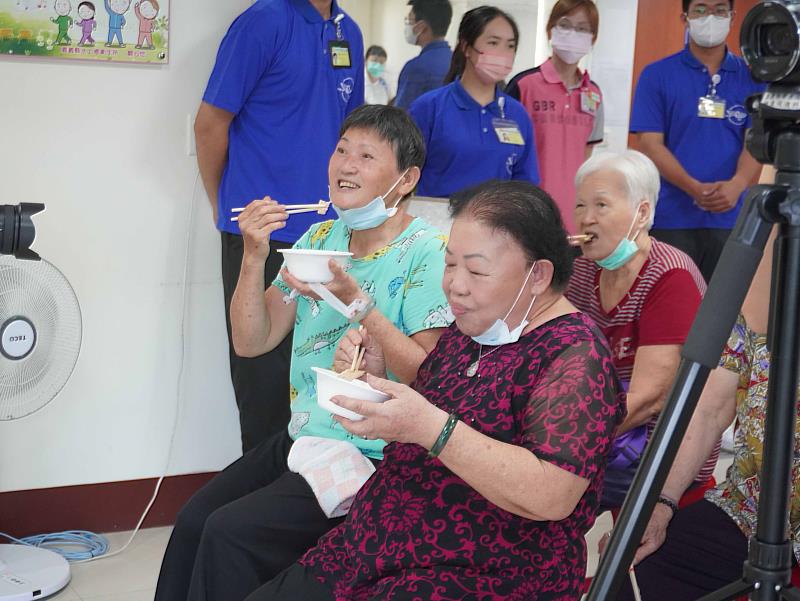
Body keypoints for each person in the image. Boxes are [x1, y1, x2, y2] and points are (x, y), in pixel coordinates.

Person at [248, 179, 625, 600]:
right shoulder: (477, 326)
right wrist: (376, 377)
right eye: (449, 265)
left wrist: (432, 429)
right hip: (378, 544)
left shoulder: (575, 355)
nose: (455, 286)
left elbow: (551, 495)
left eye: (477, 270)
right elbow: (434, 398)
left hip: (483, 567)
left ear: (537, 274)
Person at [154, 105, 453, 601]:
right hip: (306, 435)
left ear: (406, 179)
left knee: (231, 533)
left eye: (365, 155)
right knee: (194, 519)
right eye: (341, 151)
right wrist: (254, 255)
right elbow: (253, 340)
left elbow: (430, 376)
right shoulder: (320, 237)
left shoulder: (427, 251)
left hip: (373, 452)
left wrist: (355, 301)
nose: (346, 165)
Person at [194, 0, 364, 452]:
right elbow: (210, 125)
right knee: (263, 383)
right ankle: (256, 503)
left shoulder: (350, 32)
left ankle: (309, 503)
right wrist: (225, 207)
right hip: (263, 238)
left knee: (324, 377)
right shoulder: (264, 22)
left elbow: (355, 135)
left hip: (331, 238)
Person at [615, 179, 796, 601]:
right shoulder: (762, 292)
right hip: (750, 510)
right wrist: (660, 503)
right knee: (632, 567)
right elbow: (709, 409)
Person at [565, 150, 717, 510]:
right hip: (604, 434)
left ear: (642, 213)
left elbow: (650, 399)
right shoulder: (585, 271)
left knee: (539, 497)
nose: (586, 219)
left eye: (601, 205)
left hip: (652, 451)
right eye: (580, 206)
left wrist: (565, 441)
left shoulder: (670, 276)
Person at [630, 0, 764, 283]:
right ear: (685, 17)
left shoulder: (752, 78)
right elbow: (650, 144)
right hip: (671, 218)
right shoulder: (657, 75)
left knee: (720, 311)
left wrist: (737, 185)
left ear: (732, 16)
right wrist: (694, 189)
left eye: (719, 10)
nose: (710, 17)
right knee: (673, 307)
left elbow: (755, 140)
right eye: (700, 9)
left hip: (730, 220)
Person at [408, 6, 539, 199]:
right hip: (437, 223)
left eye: (510, 46)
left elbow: (526, 185)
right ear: (467, 47)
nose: (503, 53)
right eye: (493, 43)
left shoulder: (517, 114)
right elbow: (401, 174)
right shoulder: (429, 107)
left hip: (498, 224)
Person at [506, 0, 603, 234]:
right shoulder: (523, 85)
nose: (573, 34)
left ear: (592, 38)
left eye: (582, 28)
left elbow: (585, 156)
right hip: (528, 214)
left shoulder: (594, 94)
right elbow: (506, 156)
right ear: (550, 30)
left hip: (574, 218)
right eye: (565, 25)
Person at [394, 0, 453, 110]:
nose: (407, 25)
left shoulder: (416, 68)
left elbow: (400, 119)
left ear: (421, 27)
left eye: (409, 20)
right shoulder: (458, 62)